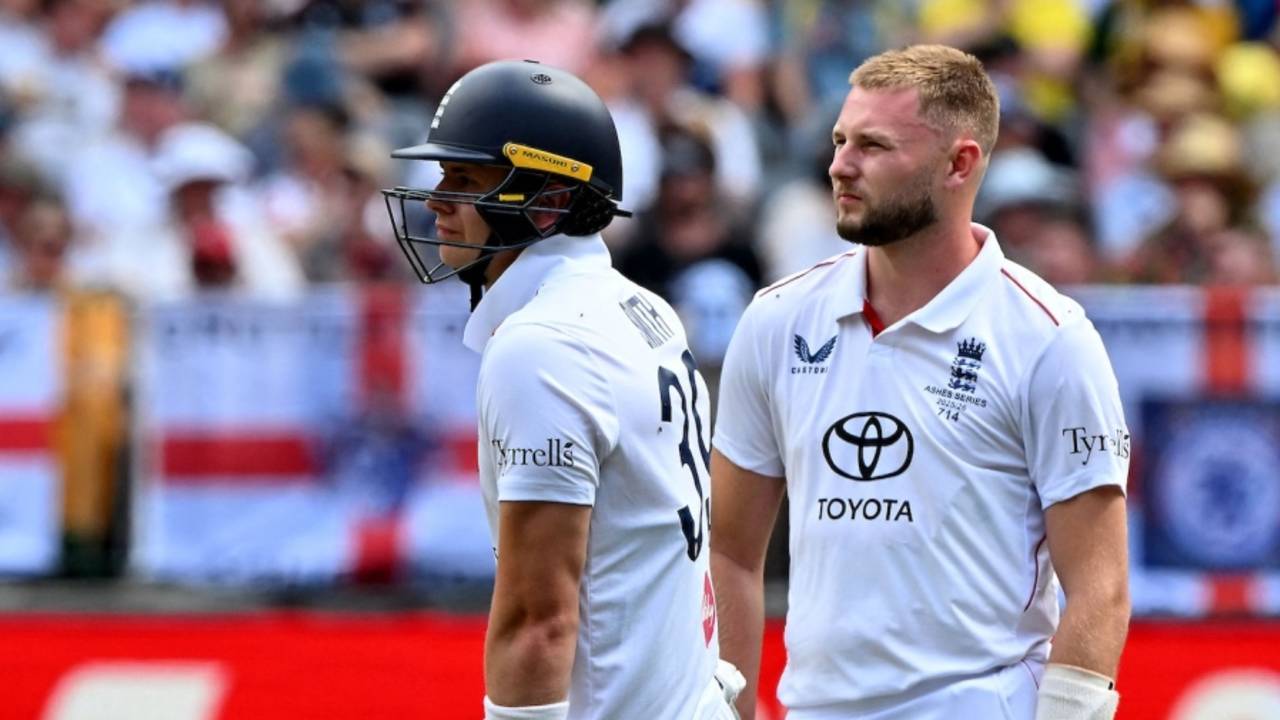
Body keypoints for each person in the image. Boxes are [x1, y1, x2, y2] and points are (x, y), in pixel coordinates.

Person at [710, 45, 1131, 720]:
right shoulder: (776, 319)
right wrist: (725, 708)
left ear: (959, 164)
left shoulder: (1051, 338)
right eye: (840, 140)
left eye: (874, 145)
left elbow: (1101, 587)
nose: (840, 165)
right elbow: (729, 551)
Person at [383, 59, 743, 720]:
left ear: (548, 203)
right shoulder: (644, 307)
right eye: (442, 175)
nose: (436, 200)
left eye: (465, 180)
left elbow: (538, 620)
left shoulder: (542, 346)